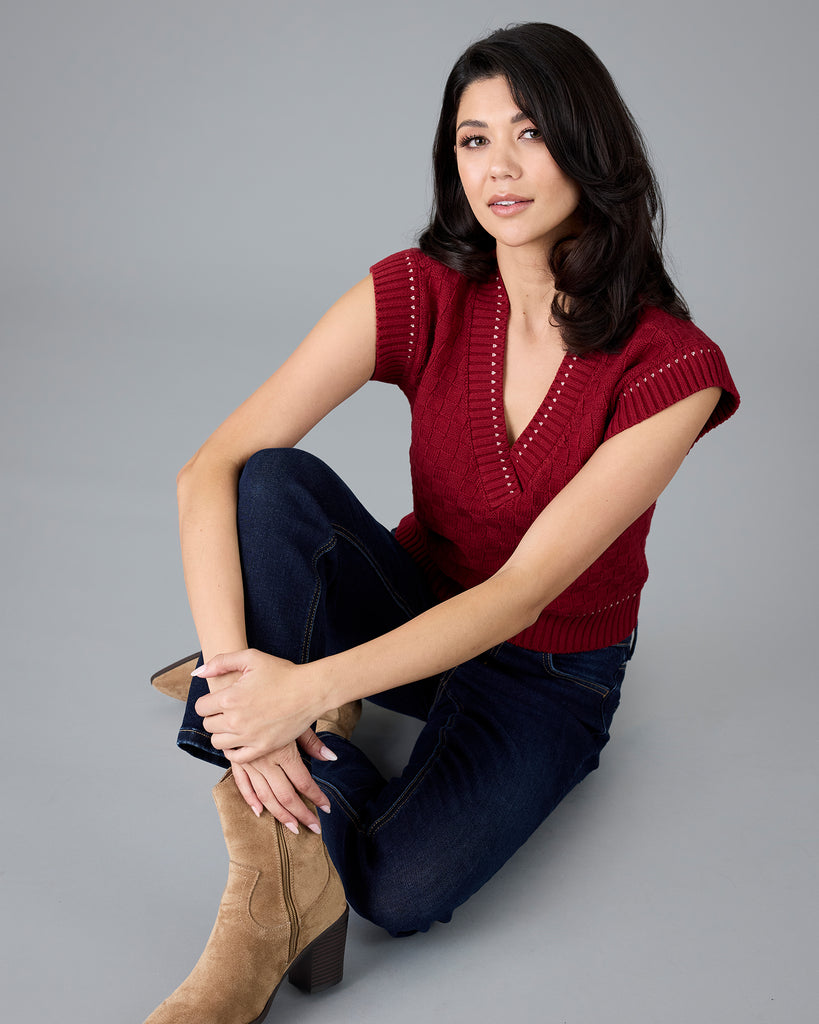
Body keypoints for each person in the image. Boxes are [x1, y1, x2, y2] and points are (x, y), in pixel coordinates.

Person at [143, 22, 739, 1024]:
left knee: (398, 890)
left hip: (550, 668)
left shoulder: (669, 368)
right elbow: (210, 470)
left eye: (529, 133)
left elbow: (522, 594)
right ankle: (269, 868)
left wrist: (300, 691)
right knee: (271, 485)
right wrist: (253, 712)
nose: (499, 167)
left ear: (590, 150)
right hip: (415, 600)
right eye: (472, 139)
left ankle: (272, 693)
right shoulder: (421, 292)